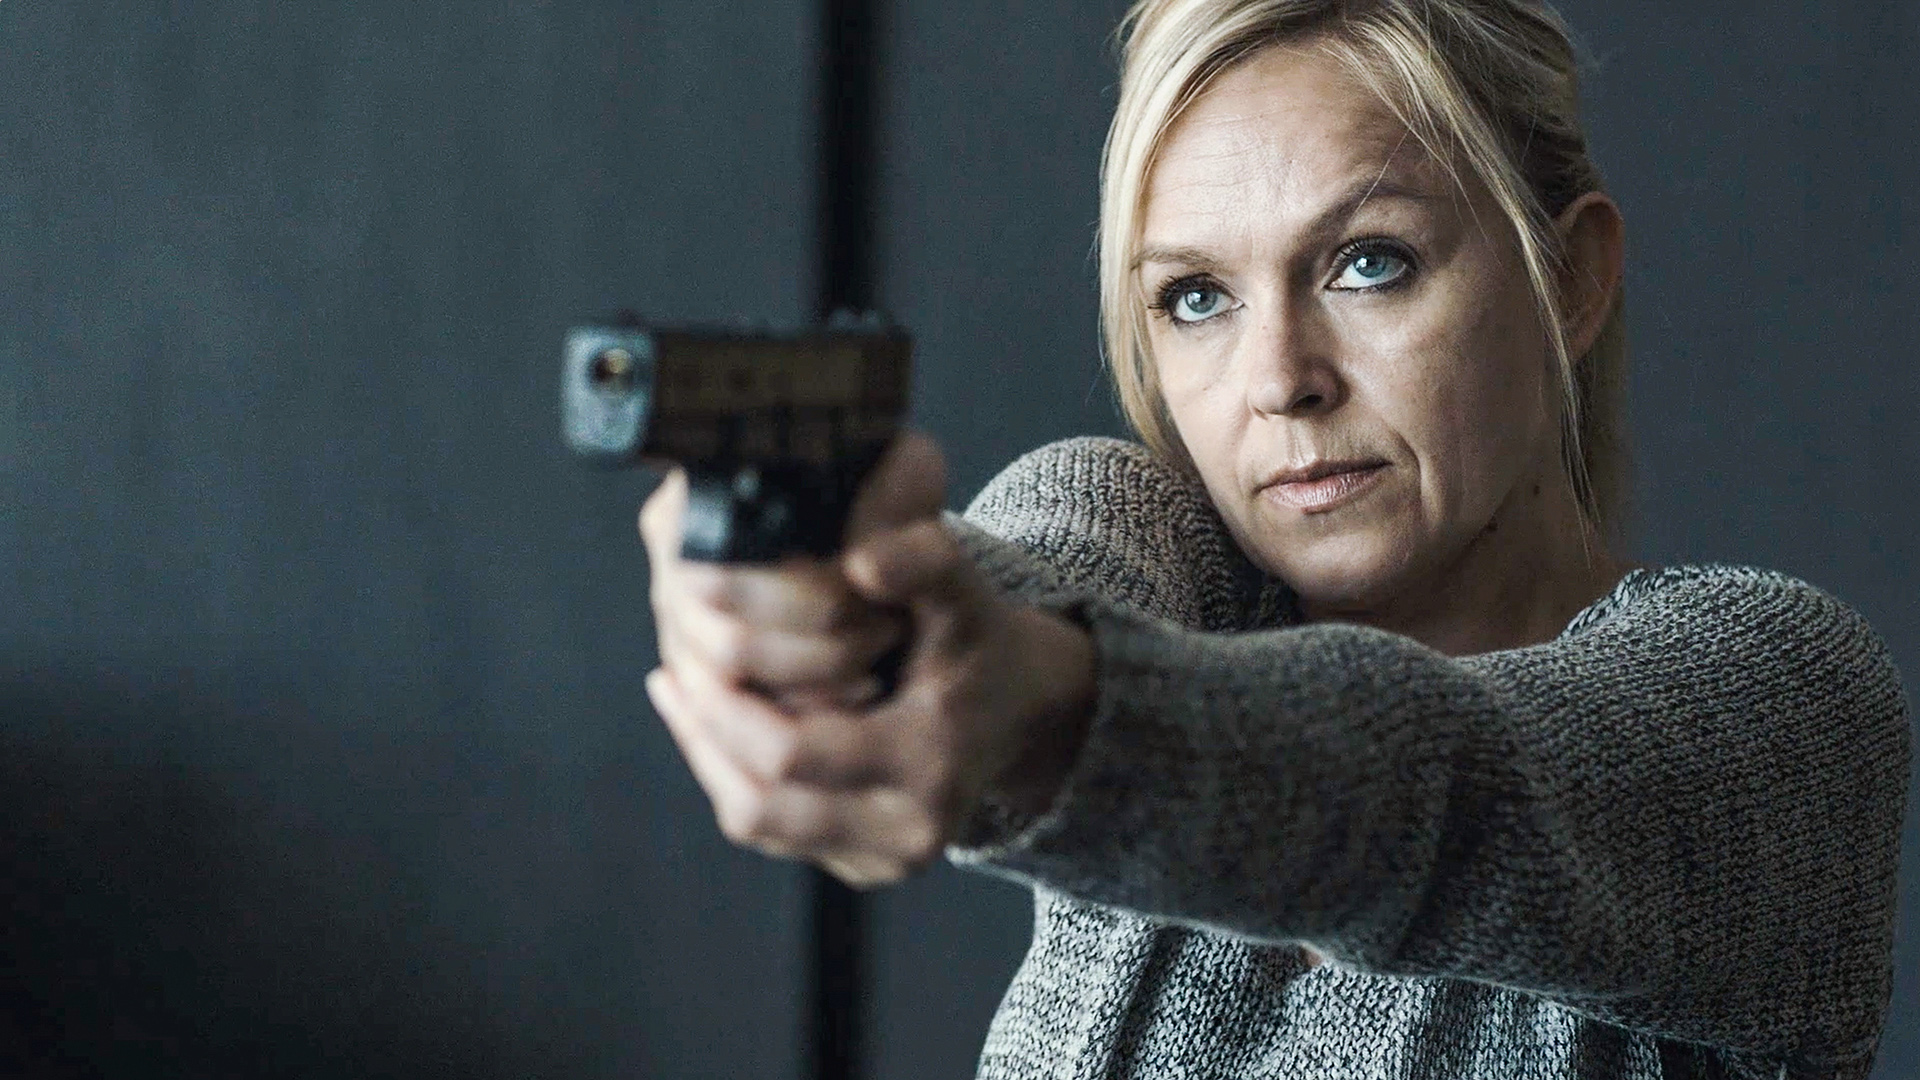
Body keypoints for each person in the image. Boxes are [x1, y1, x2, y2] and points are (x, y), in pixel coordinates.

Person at [640, 0, 1911, 1076]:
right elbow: (1020, 577)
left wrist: (1049, 710)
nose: (1279, 380)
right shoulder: (1150, 554)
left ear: (1568, 278)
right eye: (1197, 297)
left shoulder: (1785, 703)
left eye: (1369, 263)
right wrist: (848, 615)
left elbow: (1454, 789)